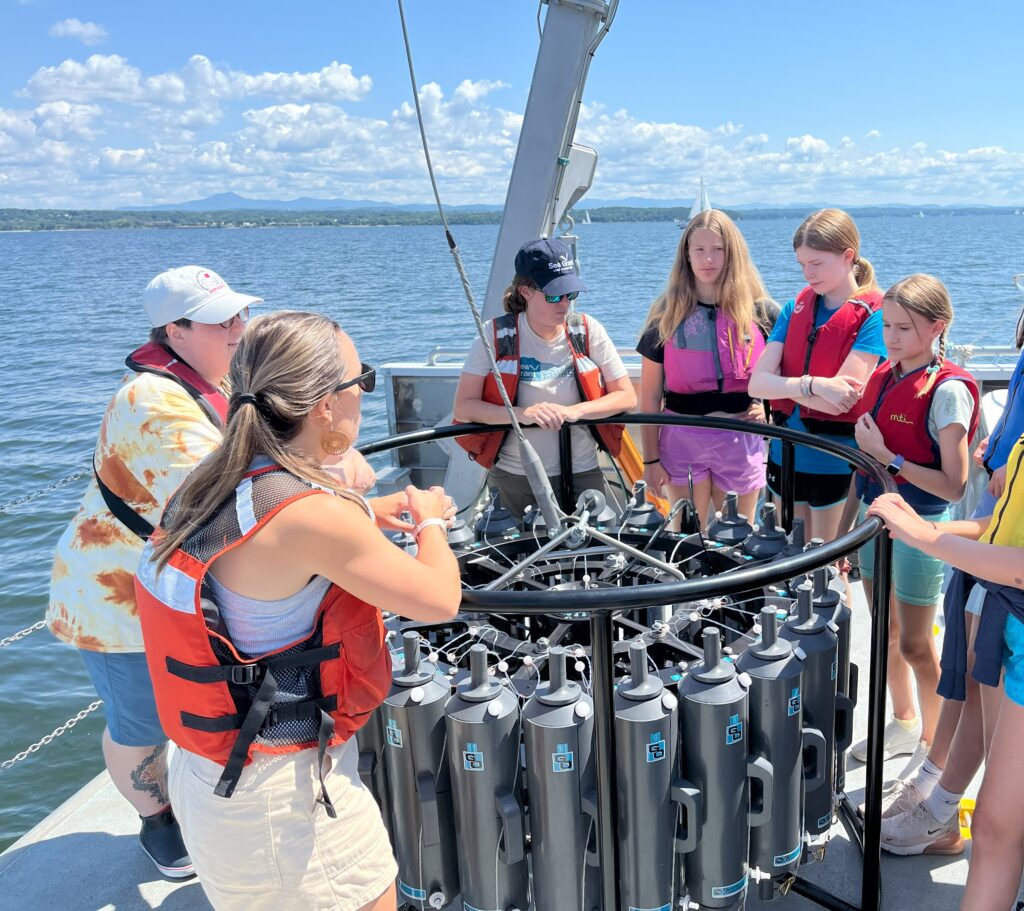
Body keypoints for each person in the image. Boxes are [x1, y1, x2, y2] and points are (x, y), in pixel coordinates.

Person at [135, 311, 462, 911]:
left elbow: (287, 538)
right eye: (360, 381)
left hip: (220, 779)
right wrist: (432, 519)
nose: (365, 395)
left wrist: (367, 511)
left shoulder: (209, 481)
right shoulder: (310, 516)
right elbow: (441, 598)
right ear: (323, 407)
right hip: (282, 808)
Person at [46, 265, 260, 878]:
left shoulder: (207, 385)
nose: (239, 329)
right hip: (117, 603)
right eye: (223, 321)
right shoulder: (152, 400)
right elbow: (225, 492)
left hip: (173, 586)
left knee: (193, 706)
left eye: (240, 315)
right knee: (141, 721)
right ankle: (157, 821)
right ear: (176, 329)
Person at [877, 276, 1024, 855]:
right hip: (994, 522)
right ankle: (937, 789)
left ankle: (942, 808)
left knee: (981, 680)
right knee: (967, 666)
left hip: (1002, 559)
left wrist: (925, 531)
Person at [868, 429, 1024, 909]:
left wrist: (927, 537)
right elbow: (998, 526)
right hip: (1011, 629)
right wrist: (922, 525)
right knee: (997, 823)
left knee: (1000, 825)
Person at [846, 275, 979, 795]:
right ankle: (902, 722)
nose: (892, 336)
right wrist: (844, 534)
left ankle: (932, 747)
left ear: (936, 328)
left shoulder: (947, 392)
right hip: (875, 521)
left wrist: (892, 458)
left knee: (920, 644)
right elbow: (861, 467)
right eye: (887, 325)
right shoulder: (885, 375)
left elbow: (953, 483)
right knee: (886, 632)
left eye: (905, 327)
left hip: (922, 526)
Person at [453, 237, 636, 519]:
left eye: (570, 294)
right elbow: (464, 408)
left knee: (593, 557)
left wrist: (574, 412)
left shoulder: (588, 331)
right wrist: (523, 414)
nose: (564, 304)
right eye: (554, 295)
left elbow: (626, 396)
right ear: (526, 291)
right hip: (516, 478)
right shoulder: (493, 336)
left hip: (583, 472)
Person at [748, 208, 886, 542]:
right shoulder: (793, 308)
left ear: (847, 256)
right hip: (785, 455)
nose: (808, 274)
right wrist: (815, 385)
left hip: (835, 462)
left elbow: (838, 404)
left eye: (816, 263)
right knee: (788, 559)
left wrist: (780, 385)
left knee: (826, 569)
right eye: (802, 265)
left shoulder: (876, 315)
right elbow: (755, 384)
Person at [637, 209, 778, 525]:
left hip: (741, 437)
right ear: (686, 255)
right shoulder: (666, 314)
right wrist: (651, 460)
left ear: (733, 254)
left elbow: (783, 378)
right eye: (699, 249)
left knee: (737, 537)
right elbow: (648, 398)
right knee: (688, 535)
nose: (708, 259)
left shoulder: (763, 313)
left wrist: (767, 410)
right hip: (682, 439)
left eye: (718, 250)